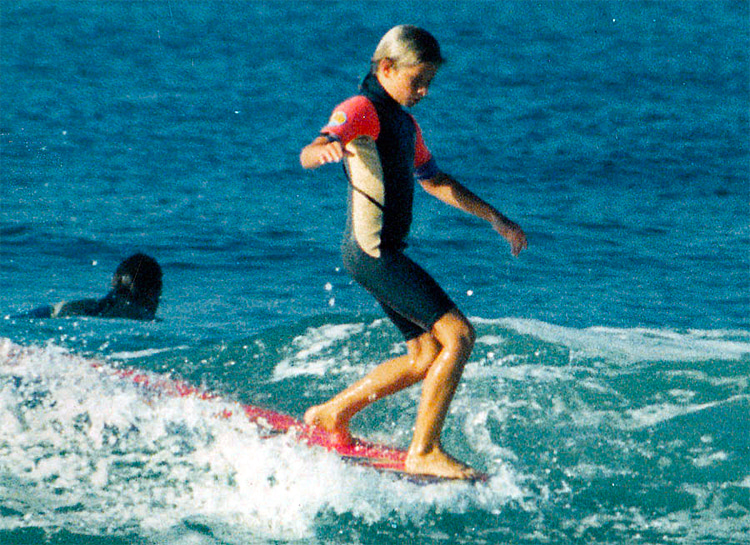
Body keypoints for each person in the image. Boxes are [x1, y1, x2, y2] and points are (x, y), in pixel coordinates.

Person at [299, 25, 527, 479]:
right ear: (386, 68)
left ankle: (333, 413)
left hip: (379, 254)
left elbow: (436, 181)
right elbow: (320, 142)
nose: (423, 91)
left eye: (429, 82)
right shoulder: (362, 109)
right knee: (458, 337)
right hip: (374, 254)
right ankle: (423, 450)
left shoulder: (405, 124)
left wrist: (496, 218)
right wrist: (321, 151)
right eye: (416, 80)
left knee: (426, 356)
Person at [16, 253, 162, 321]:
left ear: (114, 281)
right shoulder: (142, 317)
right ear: (153, 292)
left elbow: (43, 313)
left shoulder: (77, 307)